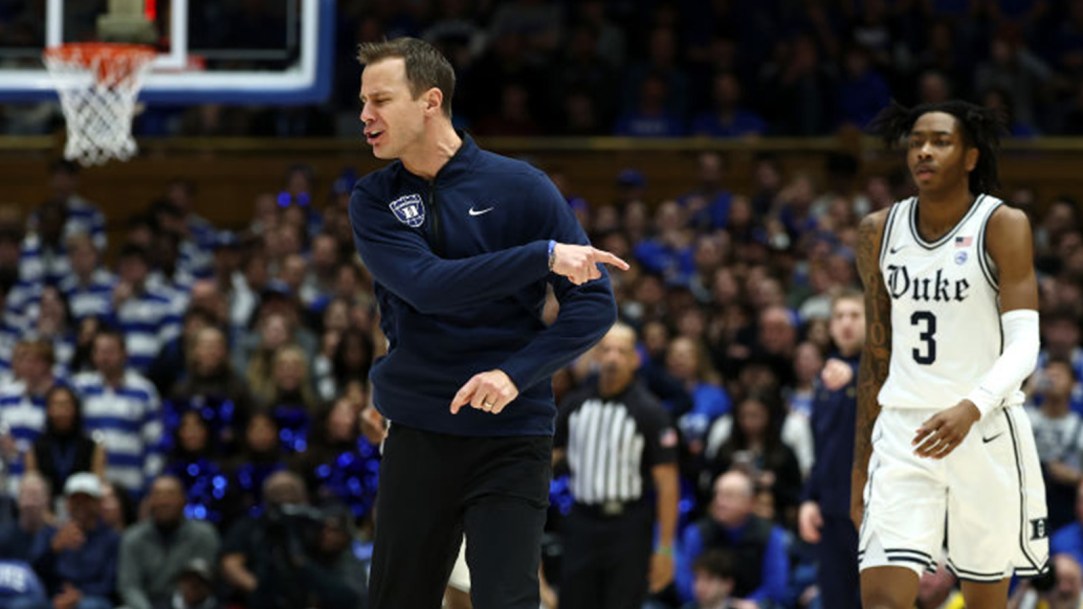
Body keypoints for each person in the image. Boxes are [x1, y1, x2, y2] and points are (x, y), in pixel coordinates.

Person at [349, 37, 626, 609]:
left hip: (511, 432)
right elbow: (427, 287)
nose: (364, 116)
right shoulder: (373, 199)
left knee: (508, 599)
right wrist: (542, 256)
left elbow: (594, 303)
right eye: (362, 102)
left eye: (379, 100)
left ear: (430, 101)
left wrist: (515, 373)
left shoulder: (520, 186)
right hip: (419, 430)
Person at [852, 99, 1048, 609]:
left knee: (984, 601)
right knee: (881, 599)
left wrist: (971, 406)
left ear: (970, 157)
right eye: (916, 141)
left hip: (982, 427)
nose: (924, 151)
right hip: (903, 432)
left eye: (941, 141)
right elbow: (876, 354)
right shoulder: (877, 231)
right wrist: (860, 467)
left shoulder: (1003, 224)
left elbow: (1025, 344)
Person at [552, 322, 679, 609]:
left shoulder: (650, 412)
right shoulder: (574, 405)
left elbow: (668, 484)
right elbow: (546, 461)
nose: (612, 358)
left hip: (629, 525)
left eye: (621, 351)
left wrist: (665, 548)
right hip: (581, 520)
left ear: (635, 359)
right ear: (595, 356)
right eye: (606, 350)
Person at [798, 289, 865, 609]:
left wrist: (856, 377)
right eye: (839, 317)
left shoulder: (885, 370)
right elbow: (822, 447)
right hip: (831, 509)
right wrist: (810, 498)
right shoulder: (825, 377)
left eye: (855, 315)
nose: (846, 324)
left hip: (872, 509)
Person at [117, 475, 221, 609]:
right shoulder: (133, 537)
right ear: (150, 501)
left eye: (170, 495)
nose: (163, 502)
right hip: (146, 604)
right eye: (158, 495)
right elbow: (129, 586)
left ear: (183, 500)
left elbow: (206, 583)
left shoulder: (204, 536)